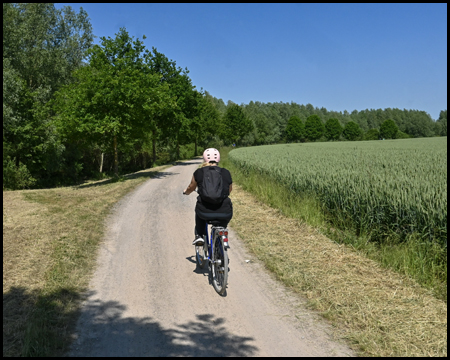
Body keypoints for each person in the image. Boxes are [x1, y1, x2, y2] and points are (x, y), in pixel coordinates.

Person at [183, 148, 233, 246]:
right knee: (222, 224)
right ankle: (221, 236)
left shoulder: (199, 172)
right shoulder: (226, 172)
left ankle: (200, 235)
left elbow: (191, 187)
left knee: (198, 211)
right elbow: (229, 190)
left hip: (204, 211)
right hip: (224, 211)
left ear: (204, 158)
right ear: (218, 158)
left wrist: (186, 192)